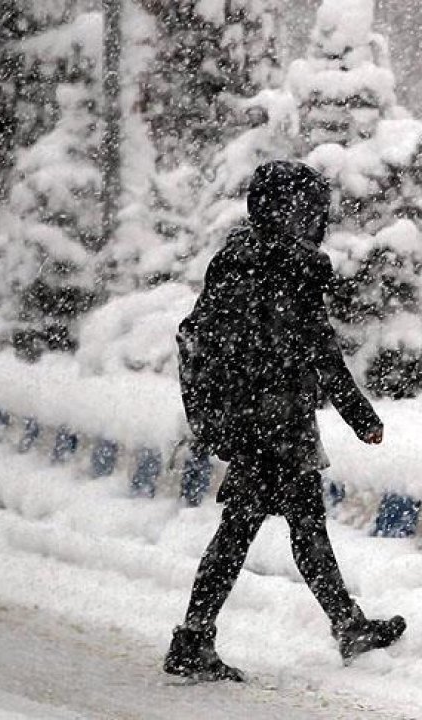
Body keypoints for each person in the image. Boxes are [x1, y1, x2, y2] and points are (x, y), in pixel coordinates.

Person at [164, 160, 405, 682]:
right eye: (311, 210)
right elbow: (320, 350)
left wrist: (224, 412)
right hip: (273, 424)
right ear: (290, 211)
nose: (317, 220)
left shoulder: (236, 260)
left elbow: (212, 337)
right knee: (256, 530)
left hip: (252, 420)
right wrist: (361, 416)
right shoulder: (288, 267)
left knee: (289, 525)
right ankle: (195, 637)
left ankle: (344, 625)